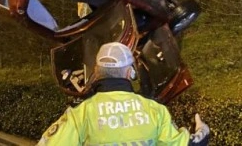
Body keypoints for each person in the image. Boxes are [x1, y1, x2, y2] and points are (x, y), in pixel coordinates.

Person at [38, 42, 210, 145]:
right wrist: (202, 132)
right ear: (130, 73)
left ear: (96, 72)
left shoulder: (80, 115)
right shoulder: (155, 111)